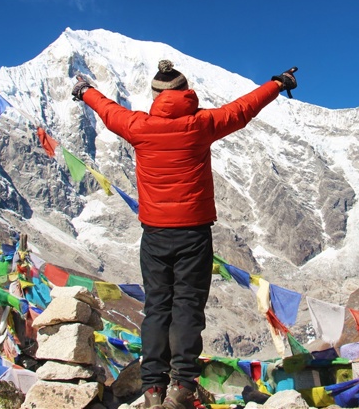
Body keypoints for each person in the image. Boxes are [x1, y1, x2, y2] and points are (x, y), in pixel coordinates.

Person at [71, 60, 297, 409]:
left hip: (155, 235)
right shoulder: (202, 124)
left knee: (157, 307)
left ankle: (152, 390)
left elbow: (107, 109)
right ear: (186, 91)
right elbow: (243, 109)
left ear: (156, 96)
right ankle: (182, 387)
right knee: (188, 307)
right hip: (194, 234)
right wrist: (278, 84)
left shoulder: (138, 126)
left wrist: (85, 91)